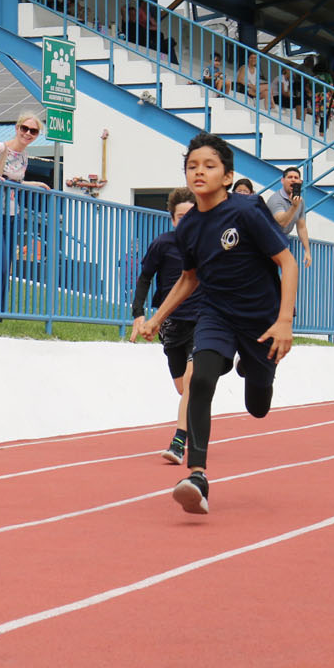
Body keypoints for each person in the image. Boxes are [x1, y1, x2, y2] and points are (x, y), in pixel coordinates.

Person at [138, 132, 298, 515]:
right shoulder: (188, 226)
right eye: (192, 166)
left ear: (227, 176)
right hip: (216, 314)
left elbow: (287, 263)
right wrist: (156, 318)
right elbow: (190, 278)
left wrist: (285, 322)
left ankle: (252, 366)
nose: (199, 172)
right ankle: (196, 475)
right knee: (201, 379)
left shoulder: (246, 211)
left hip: (261, 320)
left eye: (209, 166)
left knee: (258, 406)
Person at [130, 187, 202, 466]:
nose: (186, 221)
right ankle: (194, 418)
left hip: (203, 320)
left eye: (191, 215)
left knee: (195, 383)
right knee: (183, 389)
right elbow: (145, 278)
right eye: (181, 216)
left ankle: (179, 442)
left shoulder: (207, 245)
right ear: (172, 219)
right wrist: (139, 313)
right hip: (171, 322)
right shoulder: (163, 244)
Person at [0, 113, 50, 325]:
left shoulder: (25, 156)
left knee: (6, 266)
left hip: (11, 213)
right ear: (17, 128)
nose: (28, 133)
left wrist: (37, 183)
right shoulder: (0, 148)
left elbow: (16, 182)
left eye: (33, 131)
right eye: (24, 128)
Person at [266, 165, 313, 268]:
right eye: (290, 177)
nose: (293, 180)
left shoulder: (300, 201)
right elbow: (282, 222)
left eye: (296, 178)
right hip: (267, 242)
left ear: (300, 182)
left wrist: (307, 251)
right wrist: (294, 207)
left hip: (281, 242)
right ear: (283, 180)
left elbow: (301, 227)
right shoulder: (276, 199)